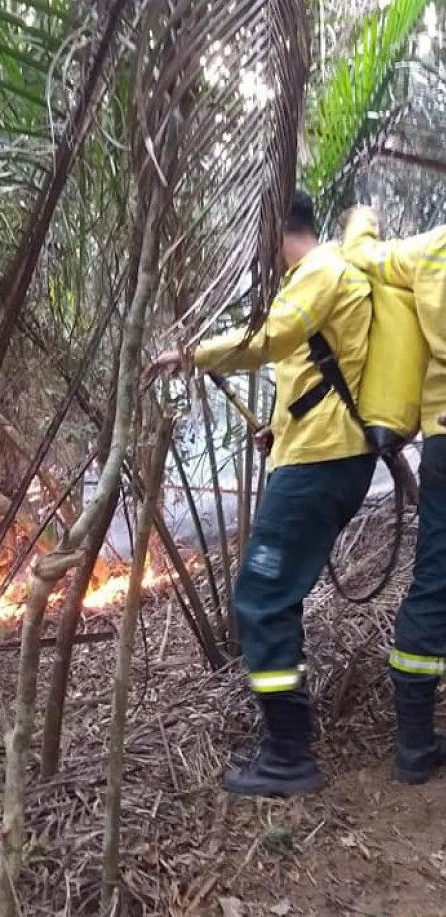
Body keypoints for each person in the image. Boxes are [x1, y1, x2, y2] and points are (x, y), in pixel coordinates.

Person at [147, 191, 376, 797]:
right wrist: (279, 429)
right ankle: (288, 737)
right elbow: (317, 372)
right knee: (273, 595)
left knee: (262, 597)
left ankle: (288, 755)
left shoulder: (321, 271)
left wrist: (190, 355)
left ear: (277, 227)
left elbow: (269, 339)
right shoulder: (318, 278)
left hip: (322, 462)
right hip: (315, 451)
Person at [343, 206, 446, 785]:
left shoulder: (433, 250)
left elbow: (365, 258)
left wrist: (362, 219)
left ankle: (413, 744)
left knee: (434, 583)